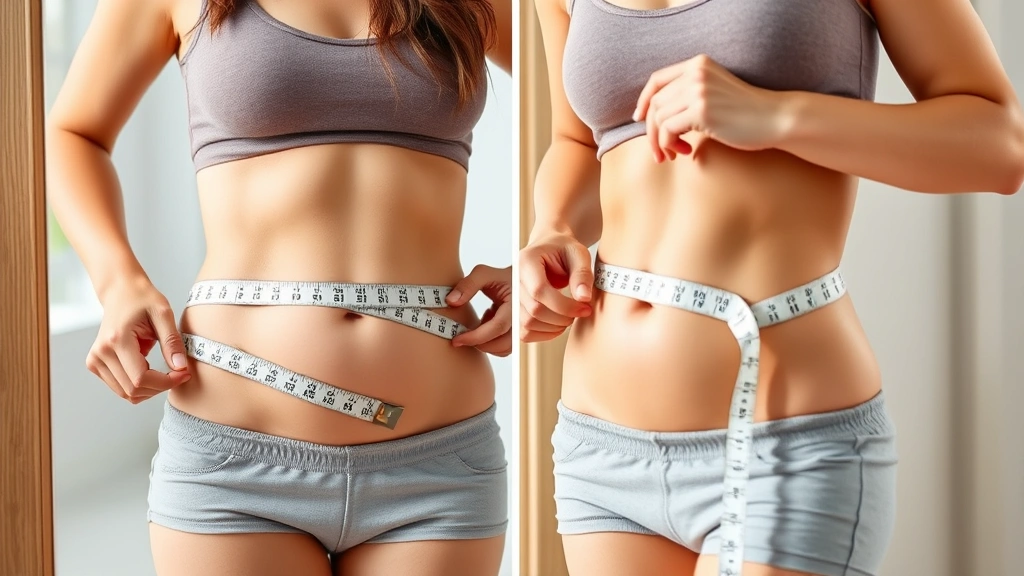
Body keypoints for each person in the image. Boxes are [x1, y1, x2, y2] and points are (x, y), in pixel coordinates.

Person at [519, 0, 1024, 575]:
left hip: (784, 441)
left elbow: (1000, 143)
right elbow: (578, 141)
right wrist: (551, 229)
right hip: (600, 452)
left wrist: (776, 116)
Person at [45, 0, 513, 574]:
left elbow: (585, 111)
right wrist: (117, 281)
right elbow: (74, 133)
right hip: (234, 466)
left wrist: (548, 243)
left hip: (438, 466)